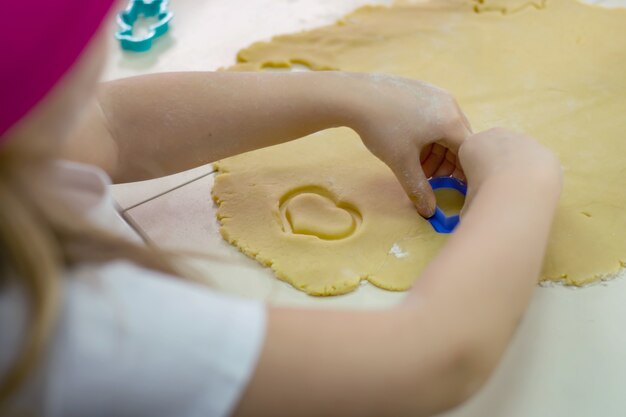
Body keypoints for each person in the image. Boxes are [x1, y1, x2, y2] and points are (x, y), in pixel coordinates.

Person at [0, 1, 562, 416]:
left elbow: (109, 127)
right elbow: (434, 359)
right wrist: (521, 183)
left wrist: (350, 95)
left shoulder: (22, 150)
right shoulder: (68, 331)